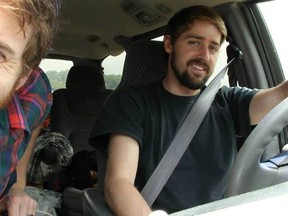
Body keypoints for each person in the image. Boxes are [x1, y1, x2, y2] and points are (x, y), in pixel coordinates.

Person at [89, 5, 288, 216]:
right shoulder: (130, 103)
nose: (204, 55)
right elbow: (118, 181)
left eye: (213, 48)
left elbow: (280, 96)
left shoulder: (228, 101)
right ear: (169, 44)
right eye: (194, 42)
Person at [0, 0, 60, 215]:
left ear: (21, 79)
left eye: (0, 54)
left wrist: (17, 187)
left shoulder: (36, 90)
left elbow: (33, 124)